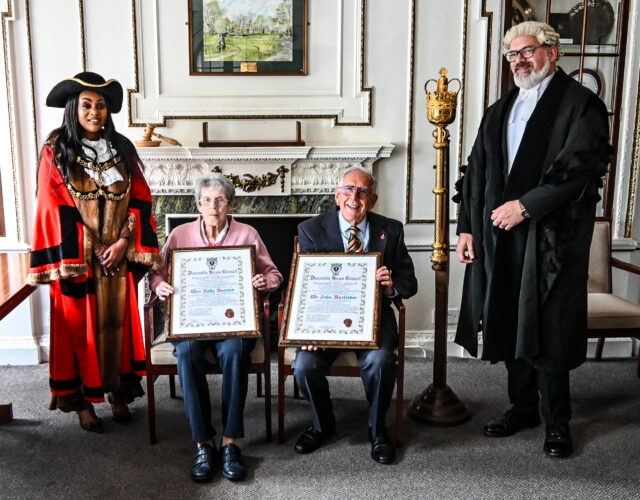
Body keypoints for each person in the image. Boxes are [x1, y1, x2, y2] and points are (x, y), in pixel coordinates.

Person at [454, 21, 611, 458]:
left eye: (527, 51)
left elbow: (579, 169)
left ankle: (558, 422)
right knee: (508, 316)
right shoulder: (499, 109)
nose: (519, 60)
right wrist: (467, 227)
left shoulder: (582, 105)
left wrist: (525, 206)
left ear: (552, 52)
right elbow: (475, 171)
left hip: (552, 239)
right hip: (500, 236)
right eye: (512, 54)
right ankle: (523, 407)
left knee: (549, 327)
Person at [27, 72, 160, 433]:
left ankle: (117, 392)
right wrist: (95, 247)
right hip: (78, 262)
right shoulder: (56, 150)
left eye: (100, 105)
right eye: (86, 105)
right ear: (74, 108)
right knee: (78, 332)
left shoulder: (121, 148)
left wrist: (122, 243)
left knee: (118, 329)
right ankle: (83, 402)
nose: (94, 112)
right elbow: (54, 205)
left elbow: (141, 198)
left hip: (116, 261)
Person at [148, 173, 282, 482]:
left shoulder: (247, 233)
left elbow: (274, 274)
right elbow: (157, 273)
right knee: (187, 353)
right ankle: (204, 442)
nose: (213, 206)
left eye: (220, 200)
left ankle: (231, 441)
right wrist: (159, 285)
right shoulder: (179, 235)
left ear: (230, 204)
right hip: (192, 322)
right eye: (207, 200)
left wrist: (264, 281)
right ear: (198, 205)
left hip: (233, 324)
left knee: (234, 351)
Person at [292, 167, 418, 464]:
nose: (354, 197)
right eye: (349, 189)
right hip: (324, 319)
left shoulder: (391, 229)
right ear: (337, 195)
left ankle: (378, 430)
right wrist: (307, 330)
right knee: (304, 366)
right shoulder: (310, 229)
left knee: (380, 361)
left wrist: (390, 287)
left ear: (372, 200)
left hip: (374, 318)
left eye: (363, 192)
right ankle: (322, 425)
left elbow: (409, 283)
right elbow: (304, 285)